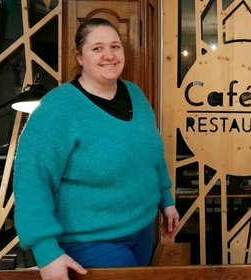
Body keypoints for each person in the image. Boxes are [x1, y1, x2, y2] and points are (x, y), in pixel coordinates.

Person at [13, 18, 180, 279]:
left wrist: (166, 199)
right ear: (79, 57)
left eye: (115, 47)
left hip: (143, 230)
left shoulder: (135, 94)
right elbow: (32, 181)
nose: (109, 55)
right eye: (97, 48)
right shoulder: (57, 108)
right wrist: (46, 252)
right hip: (91, 241)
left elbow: (152, 155)